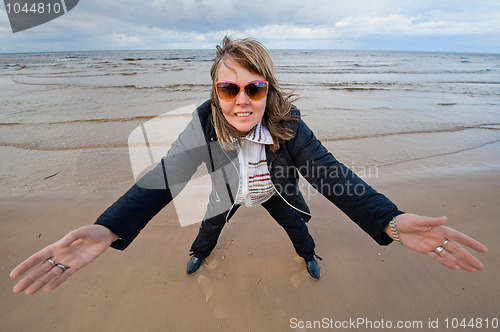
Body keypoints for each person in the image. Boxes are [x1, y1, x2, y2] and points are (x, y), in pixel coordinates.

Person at [10, 36, 487, 295]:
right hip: (228, 192)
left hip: (278, 192)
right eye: (228, 88)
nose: (242, 100)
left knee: (301, 230)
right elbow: (168, 175)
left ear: (268, 90)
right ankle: (199, 254)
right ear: (215, 92)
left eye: (254, 88)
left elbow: (328, 171)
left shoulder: (289, 124)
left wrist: (390, 220)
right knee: (208, 233)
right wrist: (108, 228)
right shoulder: (203, 121)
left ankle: (309, 258)